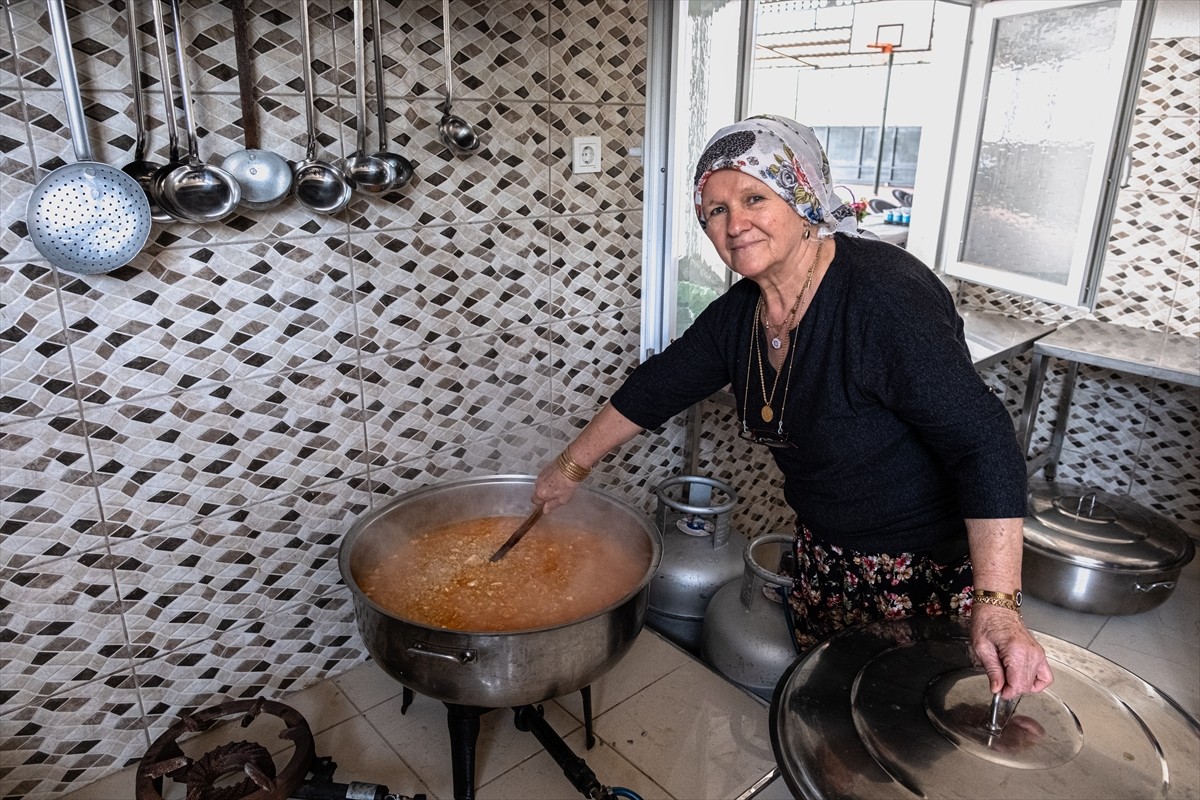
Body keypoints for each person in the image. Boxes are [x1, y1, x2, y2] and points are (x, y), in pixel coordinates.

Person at [533, 115, 1052, 699]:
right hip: (825, 556)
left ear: (803, 197)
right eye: (715, 211)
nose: (734, 224)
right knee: (834, 707)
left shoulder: (883, 296)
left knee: (907, 721)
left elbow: (982, 442)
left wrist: (1000, 604)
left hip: (924, 566)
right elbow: (655, 386)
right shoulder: (742, 313)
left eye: (754, 197)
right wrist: (568, 468)